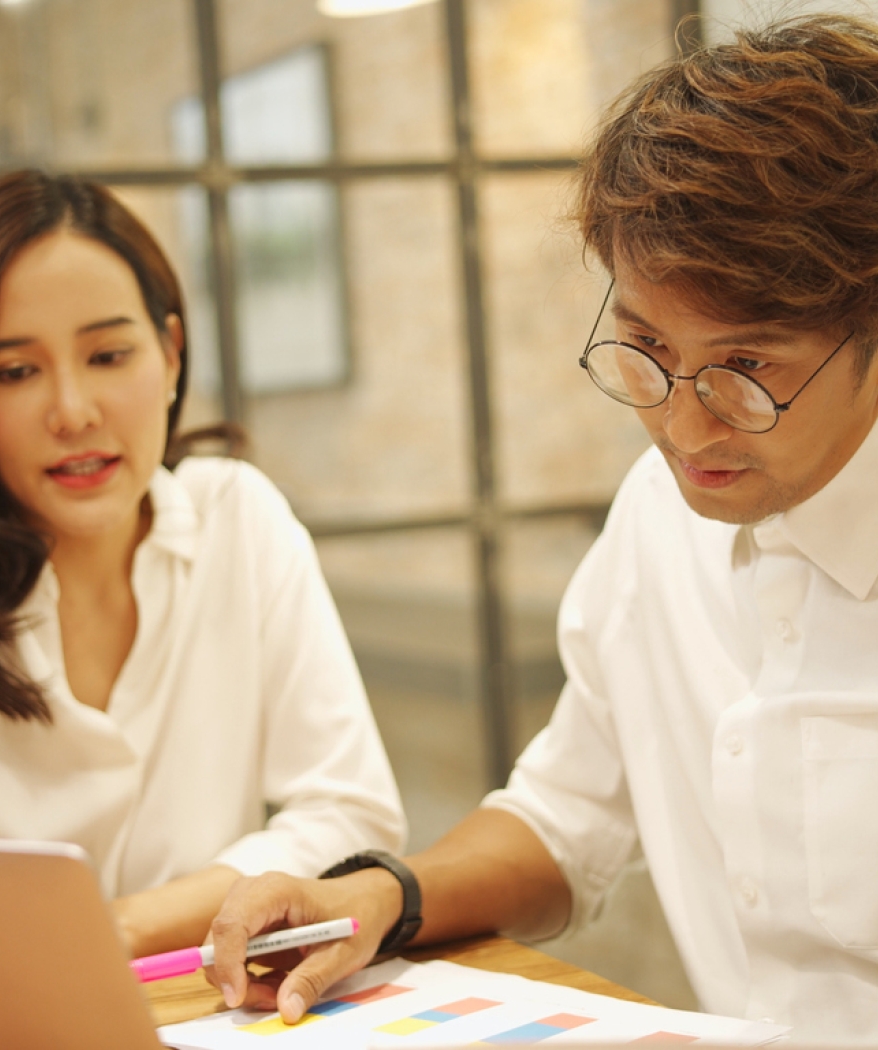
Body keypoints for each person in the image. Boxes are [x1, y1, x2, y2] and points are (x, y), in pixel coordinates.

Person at [207, 14, 878, 1041]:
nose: (681, 422)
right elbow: (565, 821)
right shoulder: (662, 517)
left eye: (748, 371)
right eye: (645, 350)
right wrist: (379, 897)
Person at [0, 170, 405, 959]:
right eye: (15, 371)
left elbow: (351, 812)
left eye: (108, 354)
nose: (73, 410)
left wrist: (119, 929)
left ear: (169, 357)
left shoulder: (237, 518)